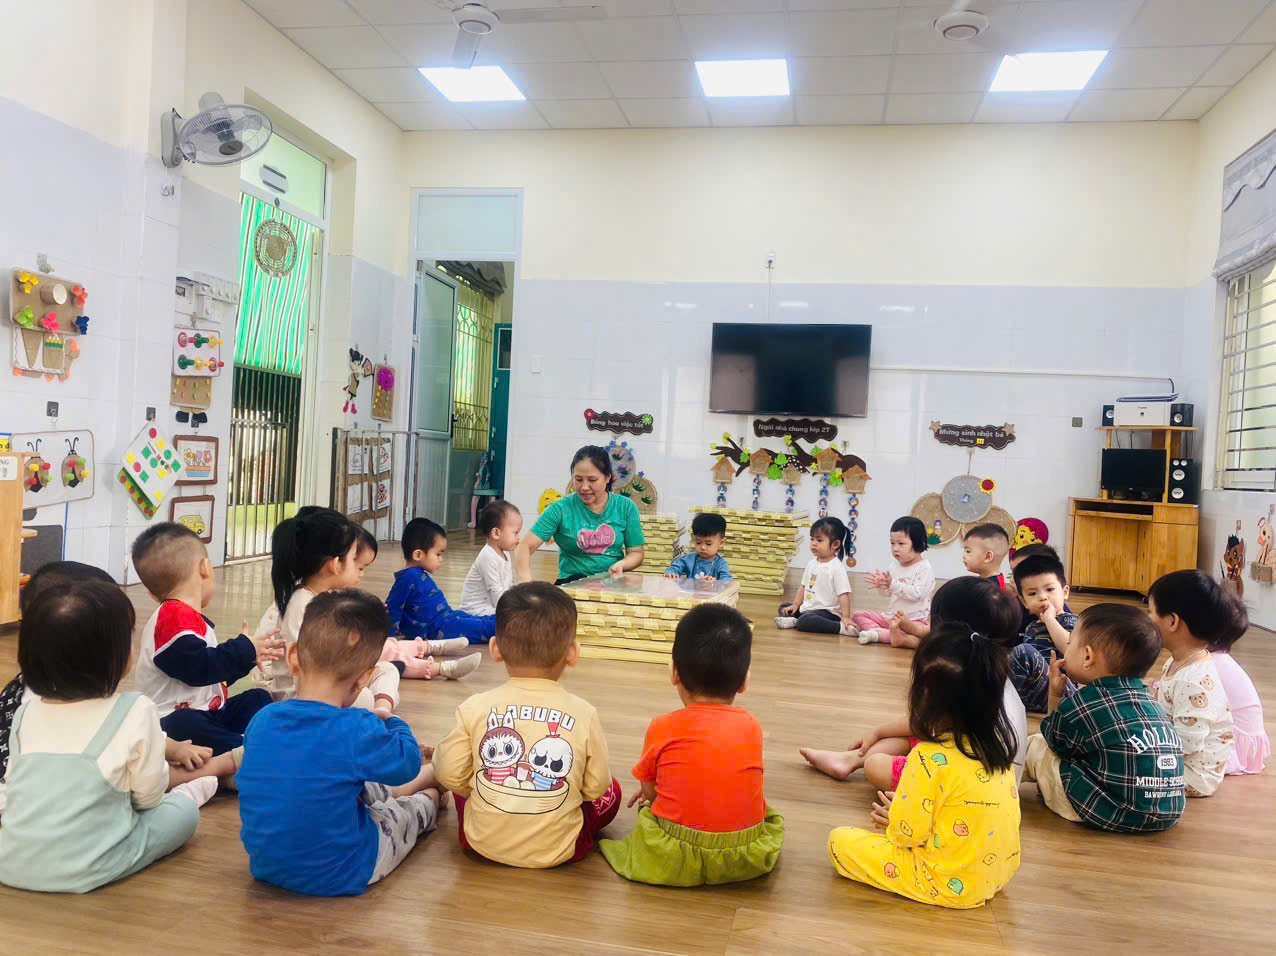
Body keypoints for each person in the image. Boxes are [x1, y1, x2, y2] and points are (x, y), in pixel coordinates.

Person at [0, 582, 214, 893]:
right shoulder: (135, 710)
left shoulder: (25, 712)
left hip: (11, 863)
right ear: (116, 655)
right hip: (91, 864)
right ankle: (188, 795)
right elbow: (148, 798)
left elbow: (18, 790)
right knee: (183, 815)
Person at [237, 590, 443, 896]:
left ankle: (428, 781)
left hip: (267, 866)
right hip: (345, 870)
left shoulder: (262, 719)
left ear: (293, 657)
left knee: (351, 779)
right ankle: (432, 792)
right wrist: (391, 719)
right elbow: (408, 762)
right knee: (409, 811)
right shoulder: (357, 727)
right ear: (363, 680)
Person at [1, 562, 239, 818]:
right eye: (126, 635)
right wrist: (218, 765)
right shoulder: (124, 709)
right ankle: (215, 773)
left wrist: (172, 749)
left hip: (26, 810)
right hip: (76, 813)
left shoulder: (32, 694)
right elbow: (142, 793)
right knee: (175, 815)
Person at [826, 624, 1021, 909]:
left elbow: (907, 836)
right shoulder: (995, 748)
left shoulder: (927, 758)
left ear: (926, 697)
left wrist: (895, 818)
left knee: (838, 841)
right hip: (997, 873)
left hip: (943, 881)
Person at [434, 582, 620, 868]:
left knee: (469, 781)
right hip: (560, 850)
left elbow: (448, 772)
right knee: (612, 790)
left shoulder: (474, 706)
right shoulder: (585, 713)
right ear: (573, 653)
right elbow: (595, 788)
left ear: (495, 649)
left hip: (480, 842)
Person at [599, 605, 783, 886]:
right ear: (744, 681)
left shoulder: (662, 725)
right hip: (743, 856)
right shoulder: (752, 725)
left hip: (675, 854)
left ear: (674, 673)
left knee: (648, 812)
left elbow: (650, 790)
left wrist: (660, 793)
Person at [801, 576, 1028, 787]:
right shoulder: (989, 670)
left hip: (970, 787)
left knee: (876, 765)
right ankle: (849, 760)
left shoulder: (959, 676)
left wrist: (878, 732)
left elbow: (924, 723)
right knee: (907, 737)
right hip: (986, 773)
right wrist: (879, 732)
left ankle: (855, 761)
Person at [1023, 604, 1185, 832]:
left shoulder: (1086, 703)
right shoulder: (1150, 701)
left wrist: (1055, 695)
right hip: (1166, 813)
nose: (1065, 650)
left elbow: (1054, 743)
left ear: (1088, 656)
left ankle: (996, 787)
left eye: (1069, 644)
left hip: (1105, 812)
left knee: (1036, 745)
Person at [130, 523, 284, 755]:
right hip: (171, 721)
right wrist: (242, 649)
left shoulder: (185, 618)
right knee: (184, 724)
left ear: (152, 594)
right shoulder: (172, 617)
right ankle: (245, 749)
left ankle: (244, 744)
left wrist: (247, 658)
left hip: (210, 712)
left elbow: (210, 676)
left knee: (258, 698)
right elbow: (197, 669)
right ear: (205, 568)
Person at [257, 509, 405, 713]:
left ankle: (382, 708)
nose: (360, 572)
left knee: (387, 669)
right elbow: (305, 672)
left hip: (329, 686)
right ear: (335, 564)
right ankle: (376, 710)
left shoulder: (324, 597)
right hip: (302, 699)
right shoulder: (300, 605)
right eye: (354, 560)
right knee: (364, 697)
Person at [1147, 570, 1243, 796]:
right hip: (1177, 754)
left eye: (1150, 612)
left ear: (1172, 621)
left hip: (1193, 774)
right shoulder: (1179, 661)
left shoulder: (1194, 681)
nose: (1147, 618)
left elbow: (1185, 745)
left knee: (1122, 765)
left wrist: (1143, 745)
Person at [513, 445, 646, 585]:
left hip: (611, 583)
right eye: (578, 479)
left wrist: (622, 565)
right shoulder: (560, 509)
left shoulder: (625, 507)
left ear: (608, 477)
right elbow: (525, 546)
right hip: (572, 582)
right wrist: (524, 581)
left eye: (592, 480)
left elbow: (636, 553)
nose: (584, 487)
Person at [385, 518, 494, 670]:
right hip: (438, 628)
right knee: (483, 627)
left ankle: (507, 620)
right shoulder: (408, 578)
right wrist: (387, 640)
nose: (441, 559)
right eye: (438, 554)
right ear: (418, 555)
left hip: (447, 617)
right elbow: (392, 609)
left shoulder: (415, 574)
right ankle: (512, 626)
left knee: (480, 620)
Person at [1008, 551, 1079, 714]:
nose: (1042, 597)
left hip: (1062, 691)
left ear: (1065, 592)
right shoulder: (1031, 626)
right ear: (1024, 602)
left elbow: (1070, 649)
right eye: (1032, 593)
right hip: (1032, 694)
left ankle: (1002, 702)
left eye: (1050, 589)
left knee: (1023, 651)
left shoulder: (1071, 620)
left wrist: (1050, 620)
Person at [853, 516, 934, 648]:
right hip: (890, 618)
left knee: (920, 635)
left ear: (918, 543)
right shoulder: (894, 566)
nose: (895, 548)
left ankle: (879, 635)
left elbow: (917, 594)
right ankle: (882, 633)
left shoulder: (924, 568)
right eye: (892, 543)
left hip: (912, 622)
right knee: (858, 615)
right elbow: (888, 593)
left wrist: (892, 584)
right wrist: (882, 586)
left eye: (901, 544)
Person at [776, 517, 855, 636]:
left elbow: (843, 594)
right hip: (808, 609)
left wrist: (846, 617)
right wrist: (796, 605)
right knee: (783, 607)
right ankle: (796, 620)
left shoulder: (836, 568)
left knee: (806, 620)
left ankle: (839, 628)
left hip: (828, 613)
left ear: (835, 544)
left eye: (819, 540)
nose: (813, 543)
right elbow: (803, 586)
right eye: (812, 539)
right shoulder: (811, 563)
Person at [460, 500, 522, 616]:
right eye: (516, 532)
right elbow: (496, 593)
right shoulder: (488, 556)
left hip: (493, 607)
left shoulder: (506, 553)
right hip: (475, 612)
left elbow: (508, 586)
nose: (519, 537)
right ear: (496, 533)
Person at [1007, 542, 1072, 633]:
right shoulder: (1018, 603)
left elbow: (1069, 641)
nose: (1012, 579)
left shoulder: (1065, 617)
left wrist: (1050, 621)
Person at [665, 512, 733, 580]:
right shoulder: (689, 559)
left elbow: (726, 581)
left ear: (721, 543)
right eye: (698, 542)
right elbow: (674, 568)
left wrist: (716, 583)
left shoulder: (721, 564)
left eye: (708, 544)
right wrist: (671, 573)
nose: (702, 547)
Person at [962, 524, 1010, 588]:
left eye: (968, 551)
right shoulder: (987, 582)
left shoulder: (991, 589)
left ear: (988, 557)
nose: (963, 556)